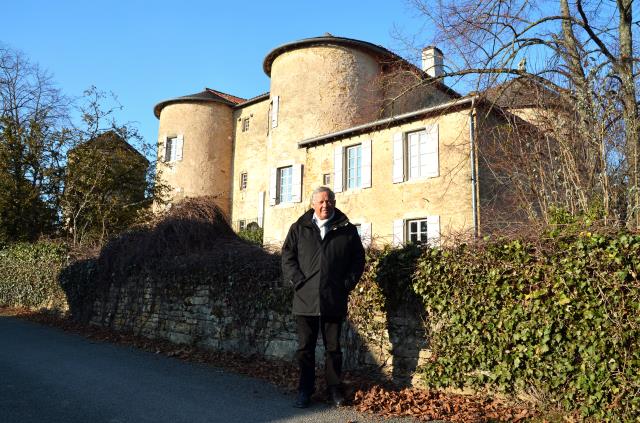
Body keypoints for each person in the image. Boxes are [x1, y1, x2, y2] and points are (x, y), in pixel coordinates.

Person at [281, 186, 366, 408]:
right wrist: (298, 281)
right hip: (305, 299)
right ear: (313, 204)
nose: (325, 205)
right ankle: (305, 390)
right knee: (305, 349)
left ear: (334, 203)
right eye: (320, 201)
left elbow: (358, 260)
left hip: (333, 299)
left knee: (333, 349)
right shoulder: (299, 228)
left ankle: (334, 389)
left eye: (329, 201)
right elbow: (287, 256)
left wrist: (346, 284)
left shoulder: (347, 229)